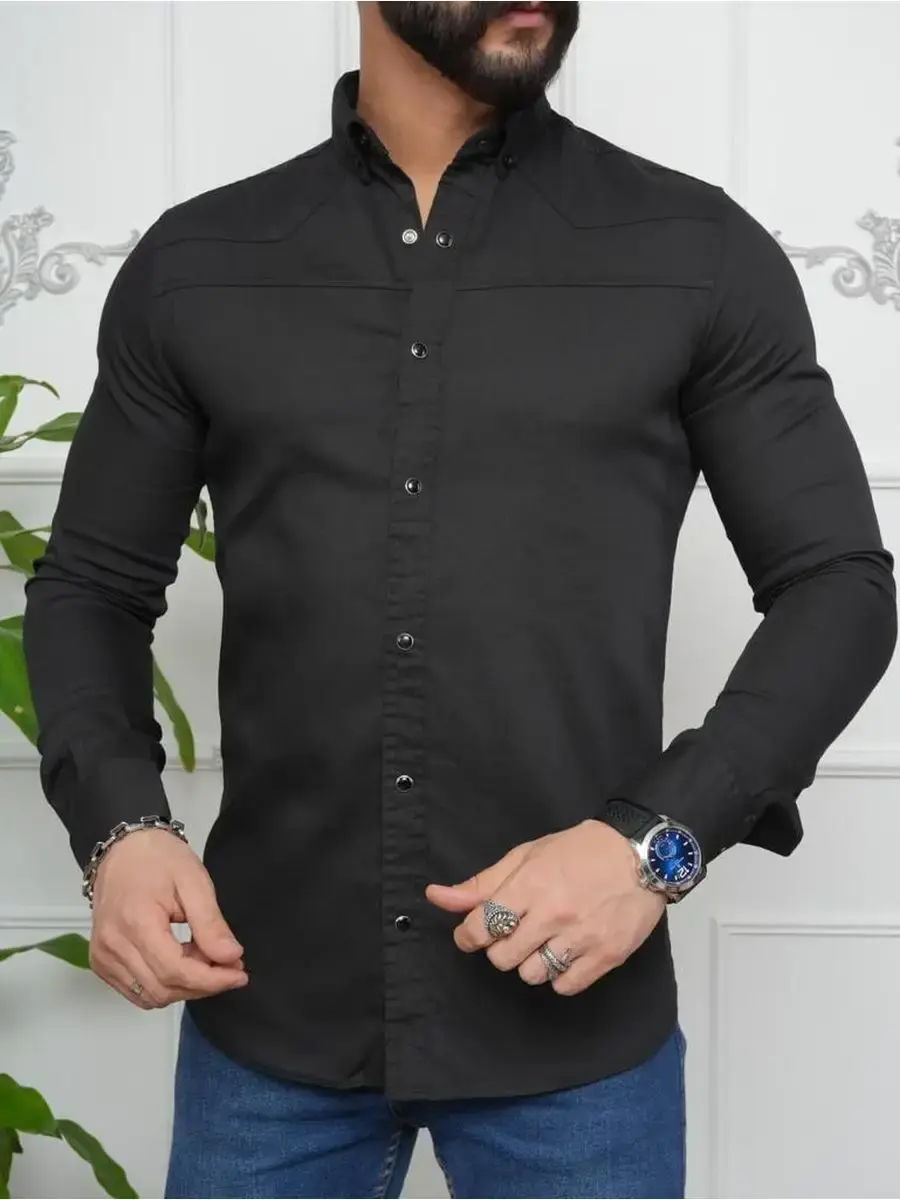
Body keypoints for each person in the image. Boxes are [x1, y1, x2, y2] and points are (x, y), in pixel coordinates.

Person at [22, 2, 896, 1197]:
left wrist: (654, 845)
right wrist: (121, 829)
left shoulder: (699, 252)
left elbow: (839, 585)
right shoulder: (198, 262)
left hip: (578, 1048)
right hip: (269, 1027)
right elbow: (91, 586)